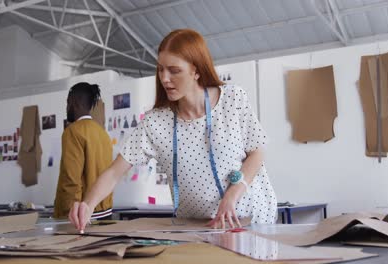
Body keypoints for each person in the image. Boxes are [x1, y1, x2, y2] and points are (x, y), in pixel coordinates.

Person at [70, 29, 277, 231]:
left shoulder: (233, 99)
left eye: (174, 70)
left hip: (252, 218)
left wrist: (232, 194)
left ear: (196, 70)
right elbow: (114, 172)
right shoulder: (155, 122)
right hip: (197, 228)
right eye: (160, 69)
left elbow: (257, 152)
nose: (164, 78)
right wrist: (87, 204)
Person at [53, 82, 113, 219]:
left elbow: (71, 179)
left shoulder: (73, 131)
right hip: (105, 212)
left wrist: (66, 214)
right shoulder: (103, 133)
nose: (67, 108)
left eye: (67, 104)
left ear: (73, 102)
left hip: (81, 215)